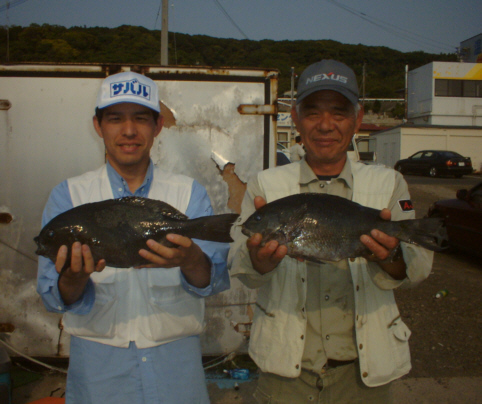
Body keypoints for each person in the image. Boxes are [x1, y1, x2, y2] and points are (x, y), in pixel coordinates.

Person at [228, 60, 433, 403]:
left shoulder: (389, 183)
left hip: (364, 376)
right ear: (295, 119)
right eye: (312, 113)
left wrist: (389, 256)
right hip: (284, 374)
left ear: (357, 118)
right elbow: (239, 264)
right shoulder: (265, 185)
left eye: (338, 112)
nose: (325, 125)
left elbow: (418, 269)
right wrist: (258, 263)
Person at [37, 71, 230, 404]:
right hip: (98, 375)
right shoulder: (67, 196)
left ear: (158, 126)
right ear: (98, 126)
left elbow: (211, 282)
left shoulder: (189, 193)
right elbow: (53, 297)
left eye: (141, 118)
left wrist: (190, 259)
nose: (129, 131)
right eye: (115, 118)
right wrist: (73, 277)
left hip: (176, 372)